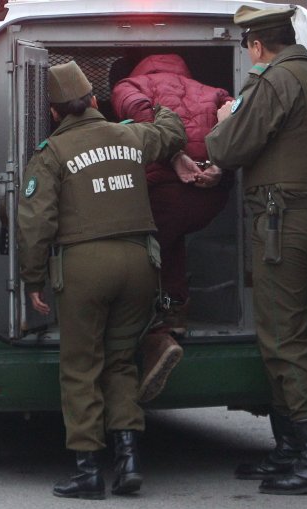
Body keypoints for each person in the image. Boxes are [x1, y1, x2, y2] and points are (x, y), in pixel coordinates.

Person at [17, 61, 186, 499]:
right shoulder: (130, 134)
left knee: (81, 365)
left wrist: (33, 278)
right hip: (140, 266)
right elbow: (171, 134)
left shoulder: (51, 152)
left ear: (54, 114)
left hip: (85, 268)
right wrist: (164, 104)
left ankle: (88, 469)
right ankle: (129, 459)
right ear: (94, 101)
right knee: (121, 361)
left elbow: (37, 221)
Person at [204, 5, 307, 496]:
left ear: (257, 46)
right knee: (285, 331)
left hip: (283, 225)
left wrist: (226, 117)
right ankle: (290, 448)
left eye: (248, 50)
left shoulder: (273, 83)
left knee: (285, 339)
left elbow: (226, 148)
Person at [111, 53, 234, 403]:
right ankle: (177, 308)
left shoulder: (129, 86)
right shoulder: (215, 91)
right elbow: (237, 124)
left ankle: (157, 335)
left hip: (161, 193)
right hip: (208, 197)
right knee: (170, 239)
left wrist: (172, 155)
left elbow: (139, 112)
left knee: (140, 252)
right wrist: (220, 167)